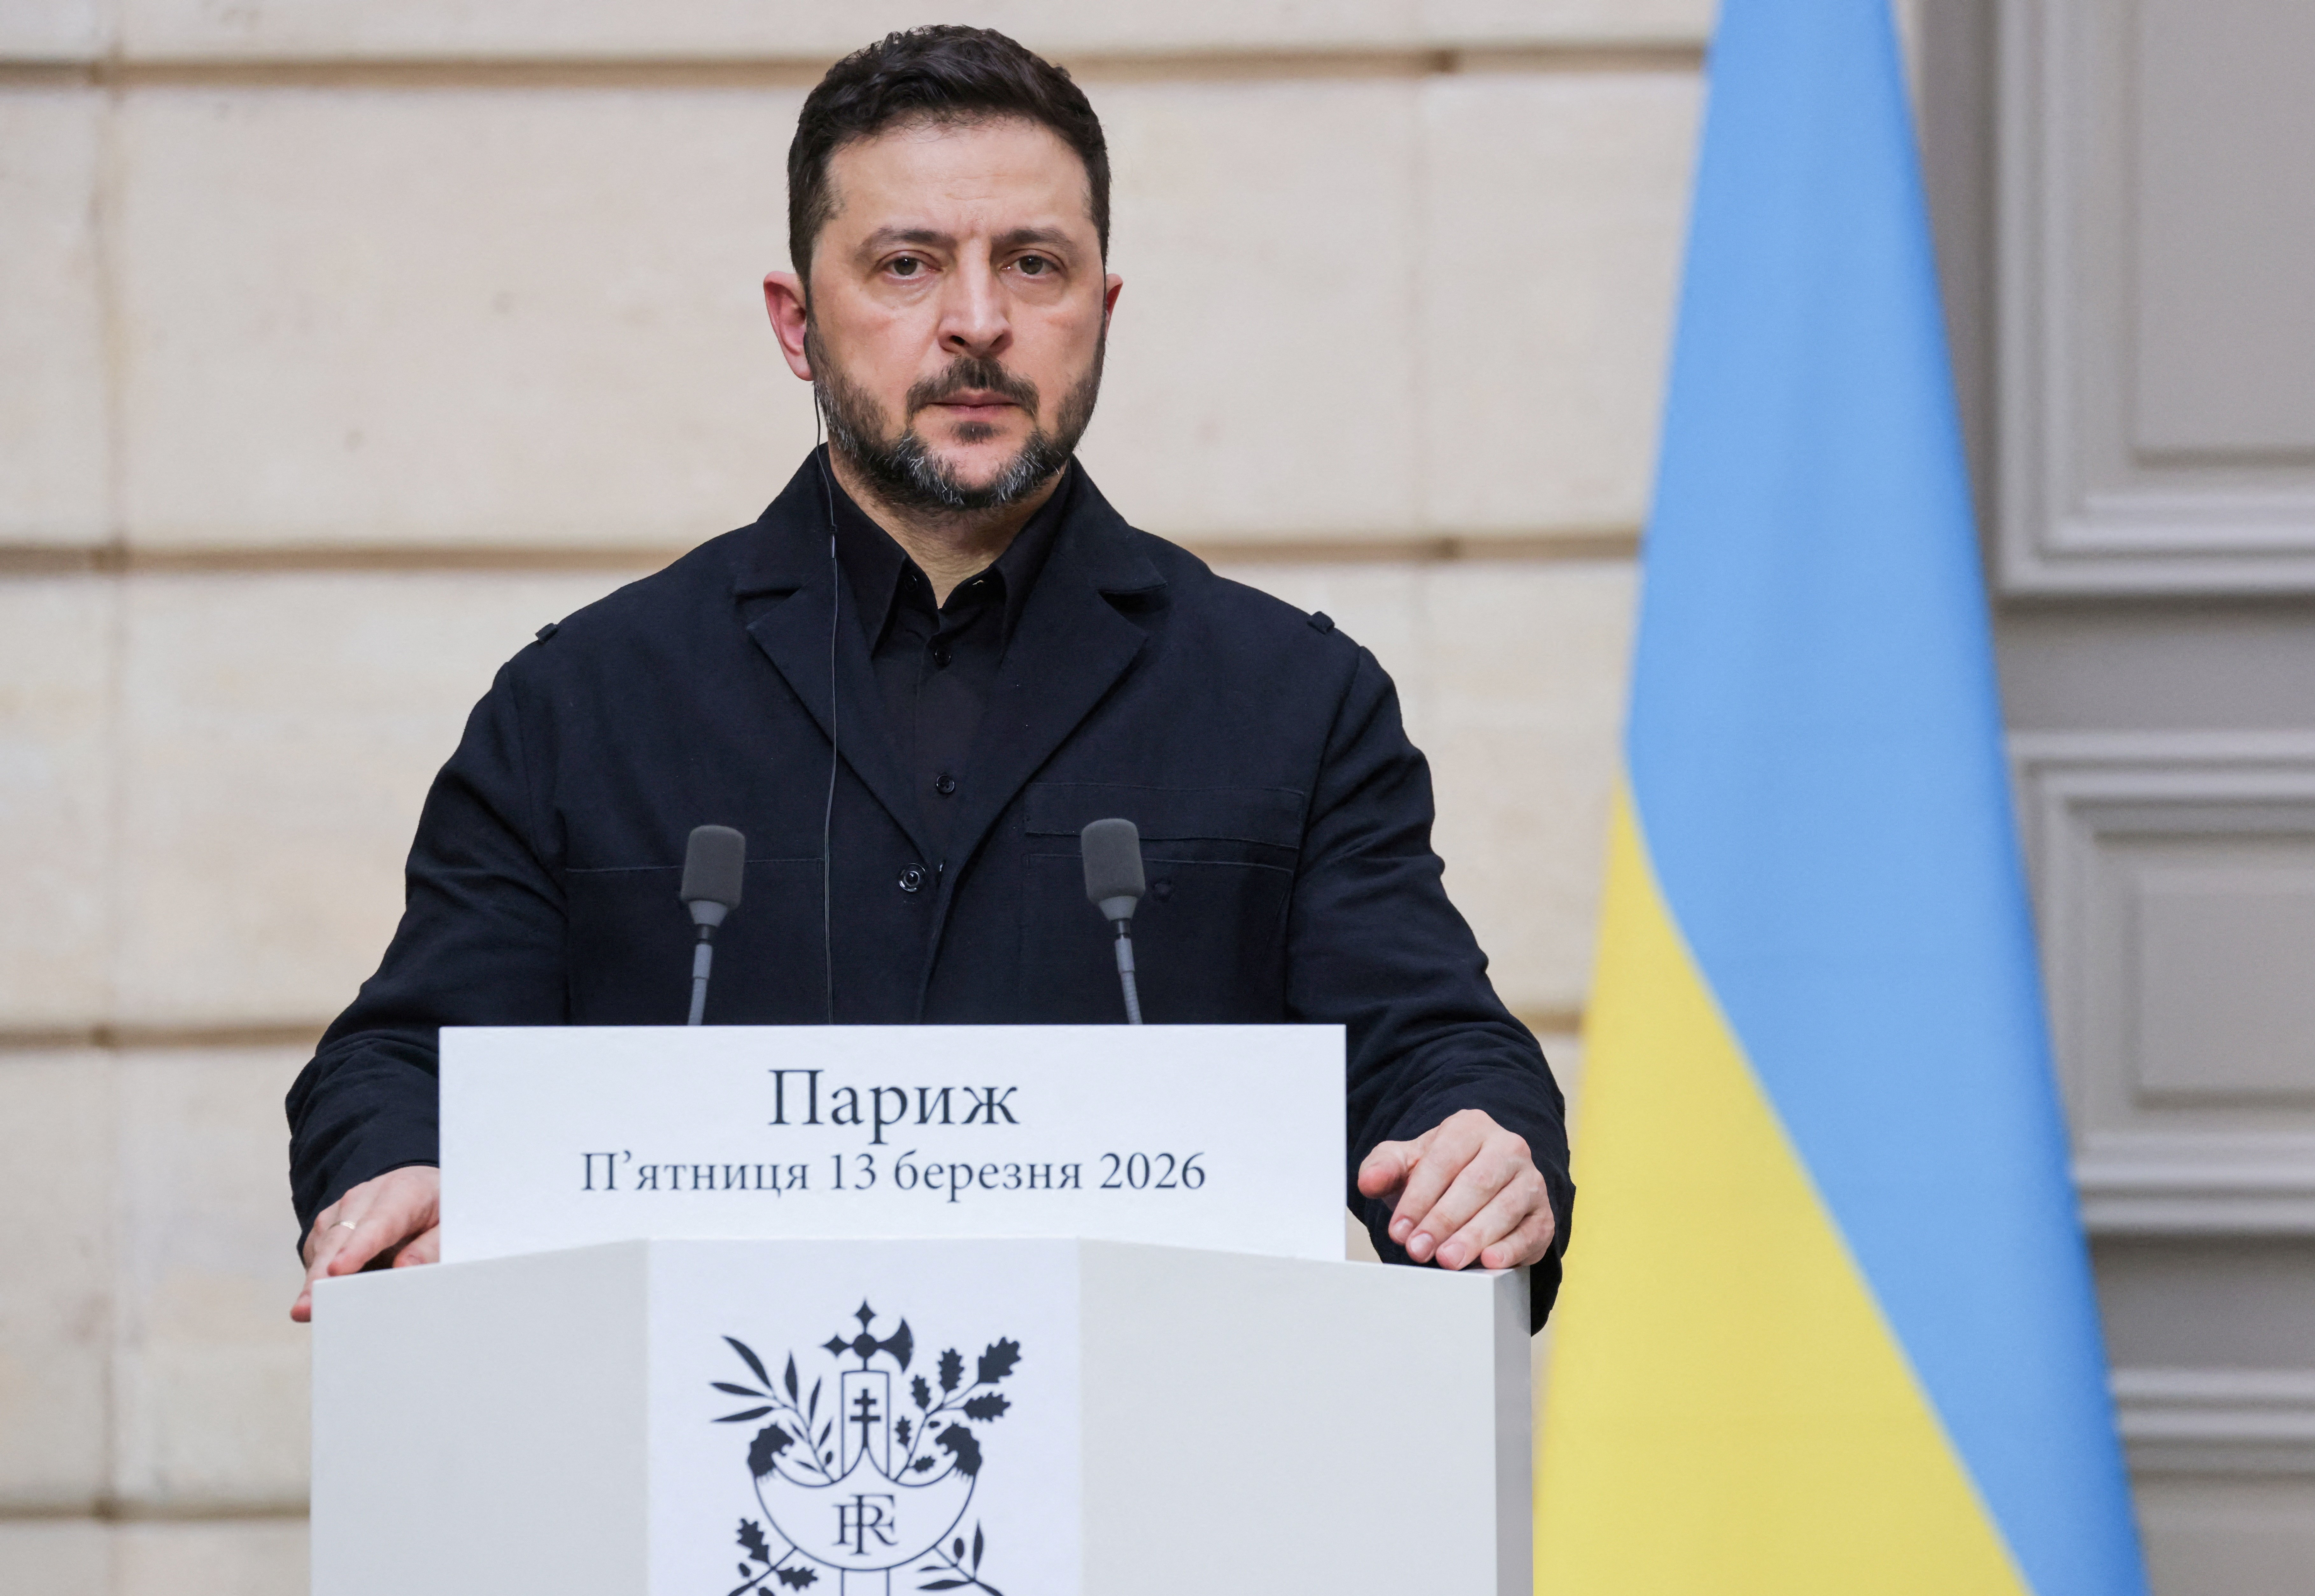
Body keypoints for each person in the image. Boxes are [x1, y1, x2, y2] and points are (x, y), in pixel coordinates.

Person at [285, 25, 1572, 1328]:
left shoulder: (1291, 700)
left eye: (1034, 265)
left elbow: (1433, 1045)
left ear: (1101, 315)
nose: (977, 322)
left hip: (1164, 1478)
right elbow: (402, 1062)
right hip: (690, 1474)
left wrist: (1482, 1148)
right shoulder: (586, 703)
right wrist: (397, 1168)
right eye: (907, 266)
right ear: (797, 323)